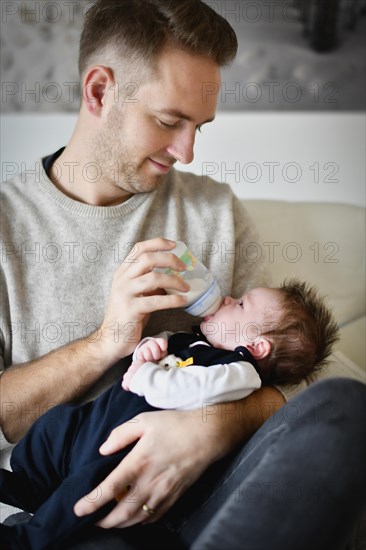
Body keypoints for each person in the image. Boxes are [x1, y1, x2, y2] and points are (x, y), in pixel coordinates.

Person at [0, 1, 364, 549]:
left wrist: (210, 429)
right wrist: (106, 343)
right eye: (170, 121)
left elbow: (305, 370)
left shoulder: (213, 211)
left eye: (199, 126)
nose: (187, 151)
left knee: (348, 408)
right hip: (66, 502)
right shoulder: (7, 228)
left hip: (210, 492)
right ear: (99, 91)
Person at [0, 280, 340, 548]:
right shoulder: (190, 342)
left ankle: (28, 540)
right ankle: (33, 486)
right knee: (55, 424)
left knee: (91, 489)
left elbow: (188, 388)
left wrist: (145, 375)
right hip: (92, 425)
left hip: (127, 453)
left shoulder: (238, 372)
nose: (226, 299)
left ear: (256, 346)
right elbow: (155, 350)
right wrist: (146, 351)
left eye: (240, 305)